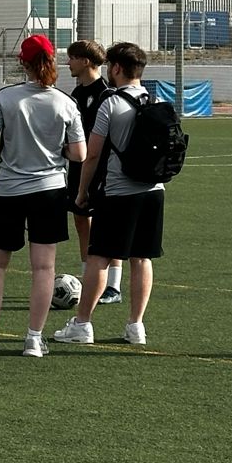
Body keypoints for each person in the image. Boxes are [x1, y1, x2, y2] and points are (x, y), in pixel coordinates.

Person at [0, 34, 85, 358]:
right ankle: (34, 338)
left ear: (23, 62)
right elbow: (79, 153)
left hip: (9, 190)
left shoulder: (7, 97)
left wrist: (10, 149)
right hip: (49, 190)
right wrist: (52, 151)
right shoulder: (65, 102)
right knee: (44, 268)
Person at [55, 42, 166, 349]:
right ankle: (136, 326)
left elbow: (92, 156)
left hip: (119, 192)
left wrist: (82, 192)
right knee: (141, 257)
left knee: (99, 256)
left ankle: (82, 324)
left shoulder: (110, 103)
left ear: (116, 68)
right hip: (154, 191)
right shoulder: (153, 99)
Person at [64, 39, 122, 303]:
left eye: (72, 58)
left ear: (85, 61)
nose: (68, 63)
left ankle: (113, 286)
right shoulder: (76, 95)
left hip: (103, 168)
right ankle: (88, 276)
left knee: (108, 225)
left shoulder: (106, 93)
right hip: (78, 167)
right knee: (80, 220)